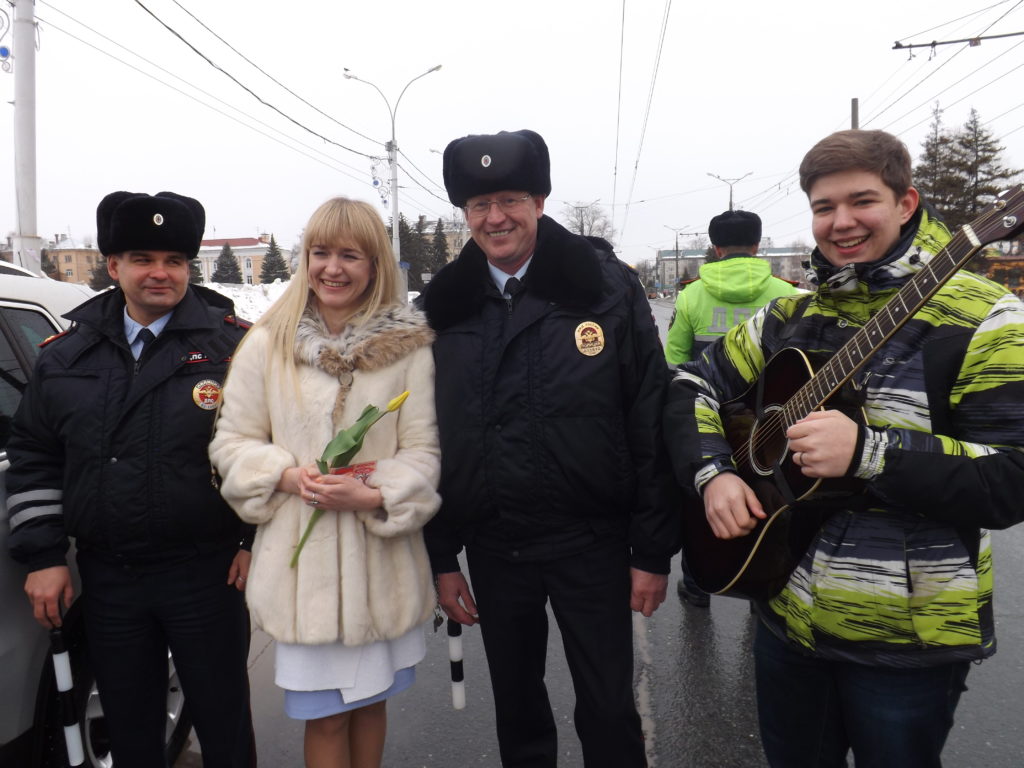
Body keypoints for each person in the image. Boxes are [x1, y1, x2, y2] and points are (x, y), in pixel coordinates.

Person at [664, 129, 1024, 767]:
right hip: (786, 609)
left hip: (908, 640)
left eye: (862, 201)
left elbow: (1012, 479)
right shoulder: (789, 316)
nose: (842, 222)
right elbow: (691, 381)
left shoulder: (988, 319)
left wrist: (870, 452)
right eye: (824, 207)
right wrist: (713, 473)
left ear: (907, 202)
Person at [421, 128, 679, 767]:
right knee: (518, 708)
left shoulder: (605, 289)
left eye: (509, 199)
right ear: (465, 214)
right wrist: (441, 556)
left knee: (608, 706)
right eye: (479, 205)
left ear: (539, 200)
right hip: (495, 543)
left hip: (591, 542)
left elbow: (649, 417)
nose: (495, 217)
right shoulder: (442, 307)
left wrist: (651, 549)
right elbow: (427, 437)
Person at [6, 191, 256, 767]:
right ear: (113, 265)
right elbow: (34, 454)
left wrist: (252, 540)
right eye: (142, 258)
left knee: (226, 729)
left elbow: (267, 450)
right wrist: (43, 556)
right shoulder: (65, 355)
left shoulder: (236, 347)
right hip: (111, 580)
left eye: (174, 260)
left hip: (209, 573)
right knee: (130, 732)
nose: (160, 273)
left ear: (188, 267)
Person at [209, 197, 440, 768]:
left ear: (375, 264)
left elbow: (424, 451)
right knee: (326, 715)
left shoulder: (408, 349)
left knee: (370, 704)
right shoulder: (267, 343)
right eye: (320, 252)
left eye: (349, 255)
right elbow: (230, 442)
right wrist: (285, 476)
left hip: (379, 567)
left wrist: (377, 493)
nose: (332, 268)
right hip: (302, 574)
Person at [664, 209, 797, 607]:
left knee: (704, 500)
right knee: (772, 503)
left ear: (716, 248)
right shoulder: (789, 295)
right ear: (757, 246)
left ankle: (697, 584)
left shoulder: (691, 295)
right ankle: (765, 586)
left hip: (708, 425)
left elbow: (674, 364)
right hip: (774, 429)